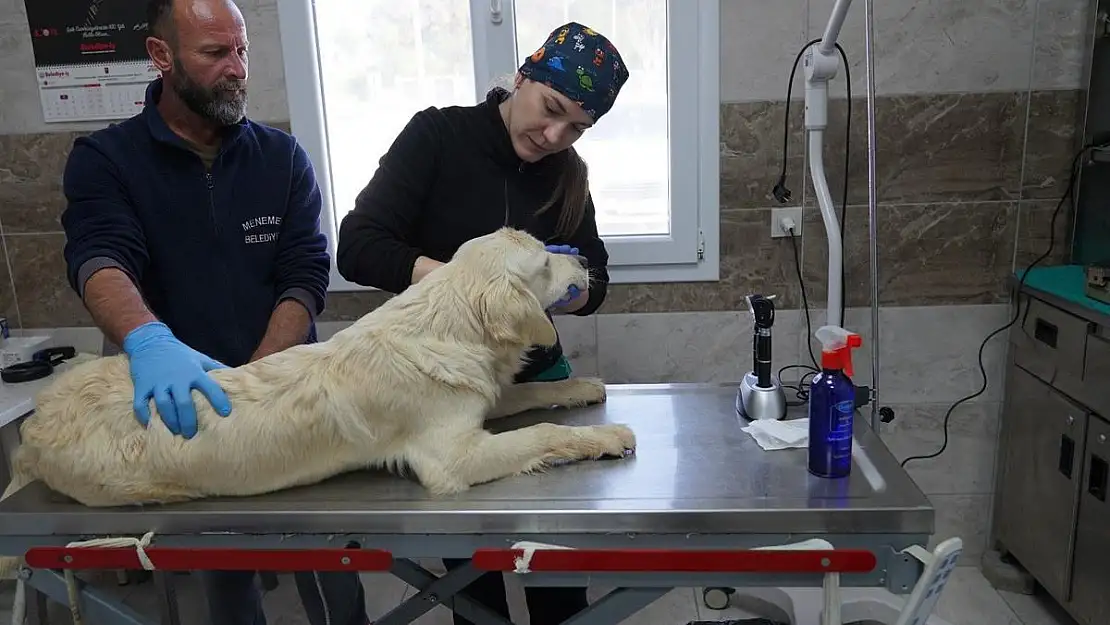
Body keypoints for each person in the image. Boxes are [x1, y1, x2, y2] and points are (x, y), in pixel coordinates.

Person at [59, 1, 368, 624]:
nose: (237, 69)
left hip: (291, 397)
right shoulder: (107, 160)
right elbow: (99, 257)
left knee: (334, 565)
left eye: (242, 50)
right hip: (190, 407)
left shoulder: (281, 158)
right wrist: (148, 340)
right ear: (161, 56)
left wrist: (261, 376)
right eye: (215, 53)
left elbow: (305, 271)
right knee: (226, 575)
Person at [335, 21, 629, 625]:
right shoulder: (437, 136)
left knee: (553, 570)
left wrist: (564, 290)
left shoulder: (568, 173)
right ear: (522, 77)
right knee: (473, 579)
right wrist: (461, 289)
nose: (554, 135)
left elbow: (596, 281)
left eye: (577, 127)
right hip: (437, 382)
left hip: (534, 377)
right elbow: (358, 244)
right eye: (550, 109)